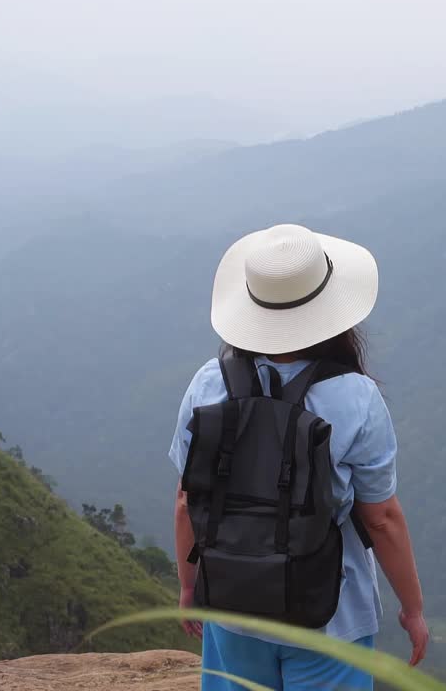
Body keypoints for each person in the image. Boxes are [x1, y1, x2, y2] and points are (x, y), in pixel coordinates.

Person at [167, 223, 428, 691]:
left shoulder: (209, 382)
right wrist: (412, 609)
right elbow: (383, 518)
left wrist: (189, 589)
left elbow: (188, 501)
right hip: (331, 613)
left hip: (233, 603)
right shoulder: (355, 396)